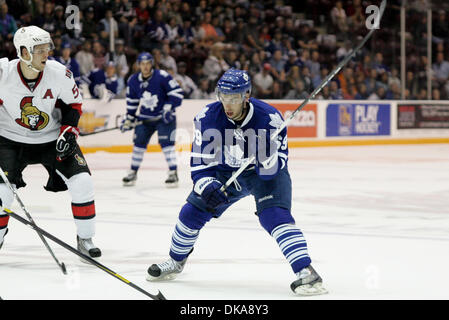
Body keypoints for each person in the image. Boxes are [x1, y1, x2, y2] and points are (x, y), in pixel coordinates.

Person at [146, 69, 327, 296]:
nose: (227, 104)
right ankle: (175, 261)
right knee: (191, 213)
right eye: (223, 97)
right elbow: (200, 163)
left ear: (246, 95)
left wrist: (266, 158)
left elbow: (278, 164)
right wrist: (207, 186)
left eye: (233, 98)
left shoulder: (270, 118)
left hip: (262, 175)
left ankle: (306, 272)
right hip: (225, 172)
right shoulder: (208, 117)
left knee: (274, 217)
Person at [0, 26, 101, 257]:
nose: (46, 53)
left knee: (83, 182)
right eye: (39, 49)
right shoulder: (2, 73)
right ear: (23, 52)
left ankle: (85, 238)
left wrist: (69, 130)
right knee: (2, 193)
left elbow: (73, 106)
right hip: (10, 140)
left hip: (52, 138)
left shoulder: (59, 73)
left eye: (47, 48)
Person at [120, 52, 183, 187]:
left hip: (164, 117)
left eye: (148, 63)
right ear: (138, 65)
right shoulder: (133, 80)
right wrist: (129, 118)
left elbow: (177, 93)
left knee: (167, 145)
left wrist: (169, 107)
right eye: (142, 64)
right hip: (145, 118)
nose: (145, 67)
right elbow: (132, 102)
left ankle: (173, 172)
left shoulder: (162, 76)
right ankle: (133, 172)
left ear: (152, 64)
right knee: (138, 144)